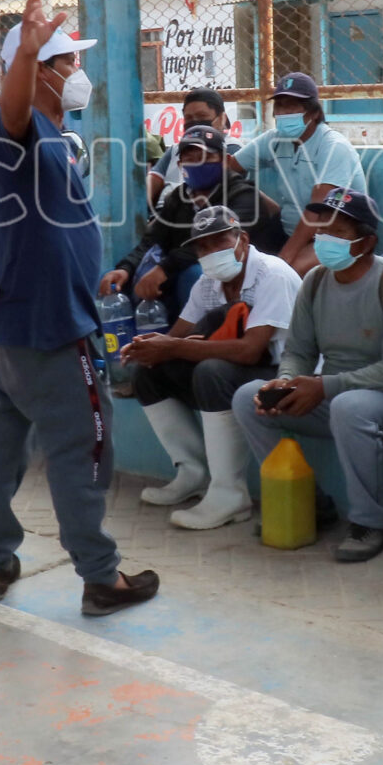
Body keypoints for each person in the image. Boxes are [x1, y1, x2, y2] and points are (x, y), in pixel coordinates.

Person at [0, 0, 160, 617]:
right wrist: (23, 56)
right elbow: (13, 110)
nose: (79, 72)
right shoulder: (16, 128)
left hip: (10, 325)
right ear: (40, 72)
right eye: (68, 61)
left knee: (2, 446)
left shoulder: (56, 133)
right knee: (84, 449)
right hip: (51, 330)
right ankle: (100, 577)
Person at [233, 187, 383, 563]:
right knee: (249, 397)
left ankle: (368, 523)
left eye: (338, 232)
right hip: (338, 396)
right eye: (322, 229)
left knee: (349, 406)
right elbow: (300, 351)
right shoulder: (316, 281)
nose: (324, 239)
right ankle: (309, 504)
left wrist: (325, 386)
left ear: (366, 242)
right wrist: (287, 379)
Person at [124, 206, 301, 529]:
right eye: (202, 248)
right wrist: (146, 348)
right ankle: (192, 472)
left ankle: (229, 494)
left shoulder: (271, 274)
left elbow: (250, 351)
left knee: (212, 370)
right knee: (148, 373)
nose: (209, 253)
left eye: (218, 242)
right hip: (245, 369)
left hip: (286, 374)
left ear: (242, 239)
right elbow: (177, 336)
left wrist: (172, 346)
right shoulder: (208, 282)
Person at [100, 125, 260, 313]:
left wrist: (163, 269)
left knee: (194, 275)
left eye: (205, 158)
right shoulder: (178, 197)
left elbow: (216, 243)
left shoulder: (243, 194)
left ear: (225, 161)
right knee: (116, 282)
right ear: (180, 166)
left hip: (235, 276)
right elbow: (152, 240)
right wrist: (125, 269)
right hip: (179, 270)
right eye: (189, 160)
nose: (197, 165)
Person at [227, 73, 367, 274]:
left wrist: (284, 259)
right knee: (240, 266)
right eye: (281, 105)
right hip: (288, 231)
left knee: (284, 275)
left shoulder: (332, 146)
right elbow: (230, 170)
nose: (284, 112)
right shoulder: (273, 140)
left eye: (293, 105)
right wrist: (261, 200)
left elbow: (317, 212)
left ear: (314, 113)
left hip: (334, 237)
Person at [146, 88, 239, 208]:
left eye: (202, 116)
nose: (195, 122)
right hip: (168, 214)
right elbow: (150, 185)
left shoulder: (230, 149)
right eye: (189, 118)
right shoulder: (175, 149)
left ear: (222, 118)